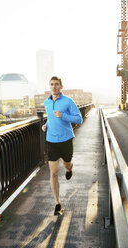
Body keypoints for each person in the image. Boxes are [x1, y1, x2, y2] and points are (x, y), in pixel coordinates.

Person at [41, 76, 82, 215]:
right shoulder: (47, 102)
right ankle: (58, 204)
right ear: (49, 86)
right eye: (51, 84)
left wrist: (63, 115)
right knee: (53, 173)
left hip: (65, 140)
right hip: (51, 141)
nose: (54, 87)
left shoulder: (68, 101)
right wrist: (45, 125)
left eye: (57, 84)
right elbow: (50, 117)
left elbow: (79, 119)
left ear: (61, 86)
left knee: (66, 164)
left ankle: (70, 169)